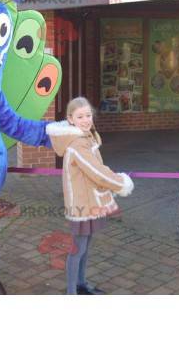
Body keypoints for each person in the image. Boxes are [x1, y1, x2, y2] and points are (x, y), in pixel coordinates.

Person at [47, 97, 134, 295]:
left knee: (85, 246)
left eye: (88, 115)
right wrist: (121, 183)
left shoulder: (87, 138)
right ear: (70, 119)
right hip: (82, 205)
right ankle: (72, 292)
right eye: (80, 117)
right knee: (77, 249)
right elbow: (97, 171)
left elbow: (97, 169)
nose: (86, 120)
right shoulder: (77, 144)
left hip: (91, 202)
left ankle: (81, 284)